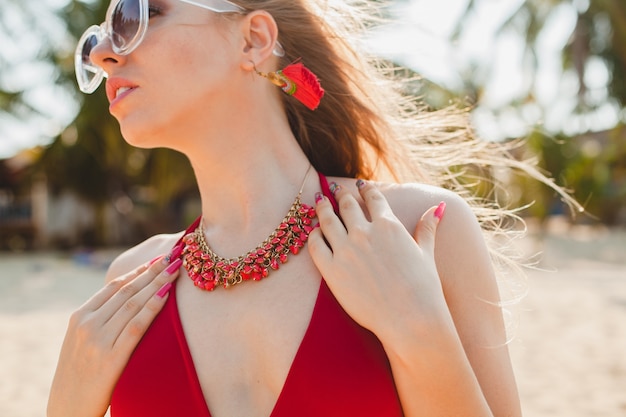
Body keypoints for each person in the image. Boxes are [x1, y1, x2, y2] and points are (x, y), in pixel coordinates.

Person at [47, 0, 565, 415]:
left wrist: (420, 333)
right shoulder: (130, 285)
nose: (101, 54)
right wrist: (67, 405)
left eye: (139, 14)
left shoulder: (421, 230)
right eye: (97, 36)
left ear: (253, 39)